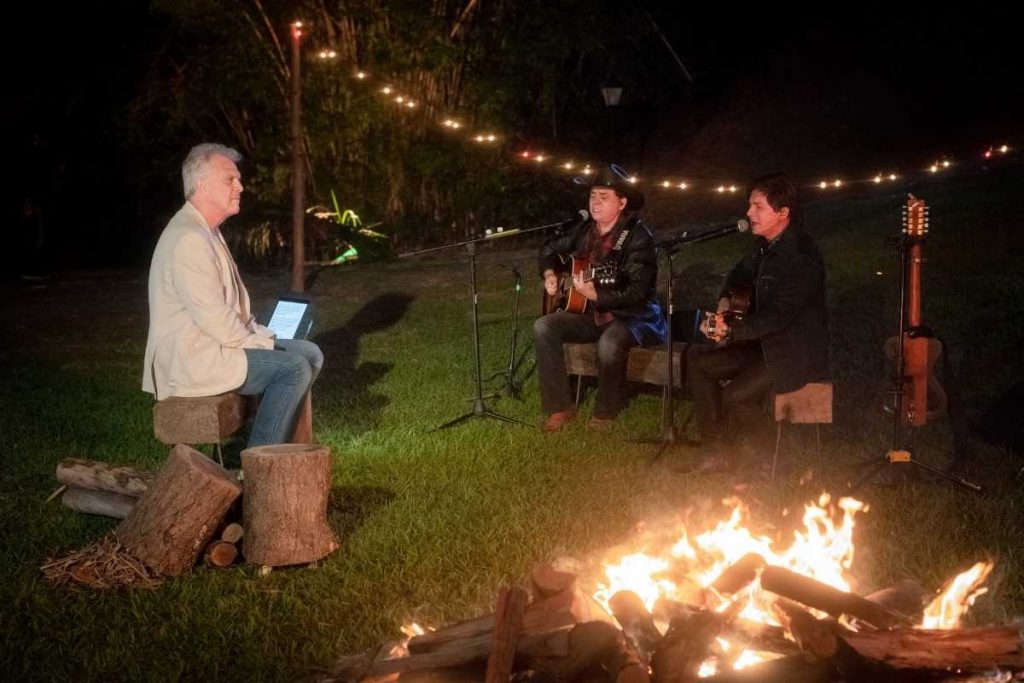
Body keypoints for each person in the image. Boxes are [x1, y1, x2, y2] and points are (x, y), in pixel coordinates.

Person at [142, 143, 323, 447]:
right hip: (195, 359)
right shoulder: (189, 239)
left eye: (238, 179)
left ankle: (290, 448)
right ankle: (259, 464)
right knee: (292, 369)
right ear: (202, 185)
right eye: (230, 179)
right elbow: (220, 324)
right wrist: (267, 346)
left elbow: (231, 315)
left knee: (310, 353)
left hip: (215, 345)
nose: (240, 186)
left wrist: (267, 339)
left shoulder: (206, 230)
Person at [686, 173, 830, 471]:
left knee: (736, 396)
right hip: (759, 343)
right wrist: (723, 309)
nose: (749, 213)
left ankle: (772, 459)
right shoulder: (763, 247)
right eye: (749, 205)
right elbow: (734, 280)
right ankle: (716, 453)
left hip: (792, 351)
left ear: (783, 213)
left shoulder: (801, 257)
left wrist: (734, 330)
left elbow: (780, 316)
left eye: (758, 206)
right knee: (698, 361)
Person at [534, 165, 665, 431]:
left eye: (604, 197)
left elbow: (636, 293)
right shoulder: (584, 231)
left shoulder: (637, 237)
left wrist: (596, 294)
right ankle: (559, 407)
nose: (595, 202)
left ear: (622, 202)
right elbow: (549, 248)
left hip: (631, 315)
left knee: (609, 342)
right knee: (543, 326)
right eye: (593, 196)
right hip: (589, 312)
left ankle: (605, 412)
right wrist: (550, 274)